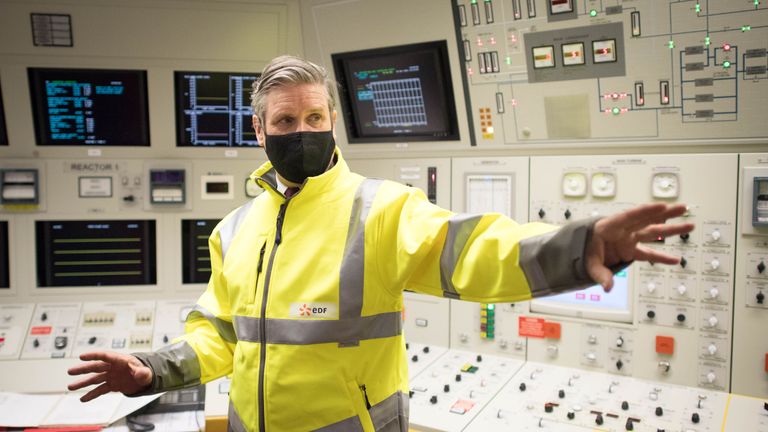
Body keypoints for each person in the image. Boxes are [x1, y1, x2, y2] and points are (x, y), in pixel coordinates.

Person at [68, 55, 694, 432]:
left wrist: (578, 246)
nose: (303, 131)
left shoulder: (380, 208)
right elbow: (221, 335)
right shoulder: (235, 228)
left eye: (315, 118)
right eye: (286, 121)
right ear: (259, 130)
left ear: (332, 120)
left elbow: (474, 250)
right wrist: (153, 368)